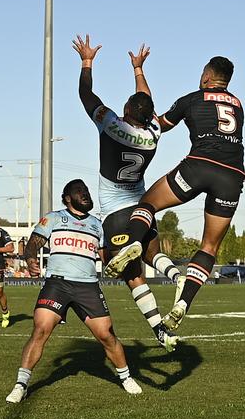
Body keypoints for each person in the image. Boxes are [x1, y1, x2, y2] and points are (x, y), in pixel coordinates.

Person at [104, 56, 245, 333]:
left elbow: (160, 124)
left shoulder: (192, 99)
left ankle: (133, 243)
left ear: (206, 76)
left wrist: (135, 119)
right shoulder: (238, 105)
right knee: (208, 248)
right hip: (232, 176)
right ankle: (183, 304)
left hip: (200, 166)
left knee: (147, 203)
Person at [72, 34, 181, 351]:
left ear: (126, 108)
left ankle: (158, 326)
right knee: (152, 255)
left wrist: (86, 61)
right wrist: (138, 70)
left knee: (132, 276)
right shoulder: (154, 132)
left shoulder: (110, 124)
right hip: (143, 207)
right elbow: (147, 101)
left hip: (116, 213)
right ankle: (177, 278)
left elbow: (85, 93)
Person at [5, 179, 142, 403]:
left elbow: (105, 257)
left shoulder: (98, 225)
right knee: (40, 330)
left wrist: (119, 261)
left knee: (106, 335)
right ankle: (21, 385)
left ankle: (126, 377)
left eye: (87, 190)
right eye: (80, 191)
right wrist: (30, 258)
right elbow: (33, 243)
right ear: (68, 198)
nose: (86, 194)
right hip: (57, 284)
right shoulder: (54, 218)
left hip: (87, 286)